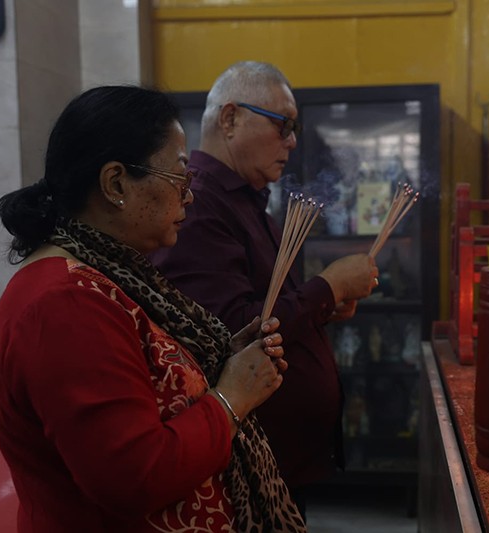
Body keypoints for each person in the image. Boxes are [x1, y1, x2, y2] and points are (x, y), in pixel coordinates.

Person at [0, 85, 307, 532]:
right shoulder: (65, 302)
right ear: (116, 183)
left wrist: (220, 360)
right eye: (180, 179)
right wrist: (232, 398)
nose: (189, 198)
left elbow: (148, 378)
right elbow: (133, 477)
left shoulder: (109, 273)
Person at [150, 61, 379, 518]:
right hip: (248, 461)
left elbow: (268, 308)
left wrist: (323, 308)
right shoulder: (199, 207)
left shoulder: (249, 202)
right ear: (230, 118)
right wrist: (327, 288)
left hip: (281, 458)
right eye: (282, 125)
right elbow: (231, 330)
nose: (292, 141)